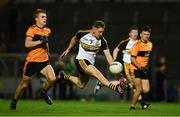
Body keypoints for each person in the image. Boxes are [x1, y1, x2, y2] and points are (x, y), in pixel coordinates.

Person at [60, 20, 124, 94]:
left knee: (80, 84)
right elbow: (74, 39)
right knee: (98, 74)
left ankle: (63, 76)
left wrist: (113, 65)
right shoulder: (82, 33)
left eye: (102, 32)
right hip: (81, 60)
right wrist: (68, 50)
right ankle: (116, 88)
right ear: (94, 29)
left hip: (89, 64)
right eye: (99, 31)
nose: (101, 34)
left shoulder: (102, 41)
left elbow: (108, 55)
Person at [10, 9, 56, 110]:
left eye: (45, 17)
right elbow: (27, 44)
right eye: (42, 17)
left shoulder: (47, 30)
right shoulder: (32, 29)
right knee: (23, 85)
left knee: (53, 79)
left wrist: (48, 53)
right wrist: (40, 41)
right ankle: (14, 101)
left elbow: (46, 43)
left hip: (44, 61)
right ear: (36, 18)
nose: (45, 18)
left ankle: (43, 93)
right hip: (32, 61)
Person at [94, 26, 138, 96]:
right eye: (133, 32)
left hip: (135, 66)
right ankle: (142, 103)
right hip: (127, 66)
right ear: (130, 34)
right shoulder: (125, 42)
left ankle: (102, 83)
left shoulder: (139, 43)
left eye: (136, 32)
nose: (135, 34)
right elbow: (116, 50)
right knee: (133, 83)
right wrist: (114, 60)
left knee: (125, 84)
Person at [130, 25, 153, 110]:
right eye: (144, 34)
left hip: (143, 69)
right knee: (139, 89)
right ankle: (132, 106)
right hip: (135, 69)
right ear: (141, 35)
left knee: (146, 89)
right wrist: (140, 67)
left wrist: (145, 67)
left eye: (148, 34)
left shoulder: (150, 44)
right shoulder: (137, 45)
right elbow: (132, 59)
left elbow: (145, 58)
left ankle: (128, 84)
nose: (146, 36)